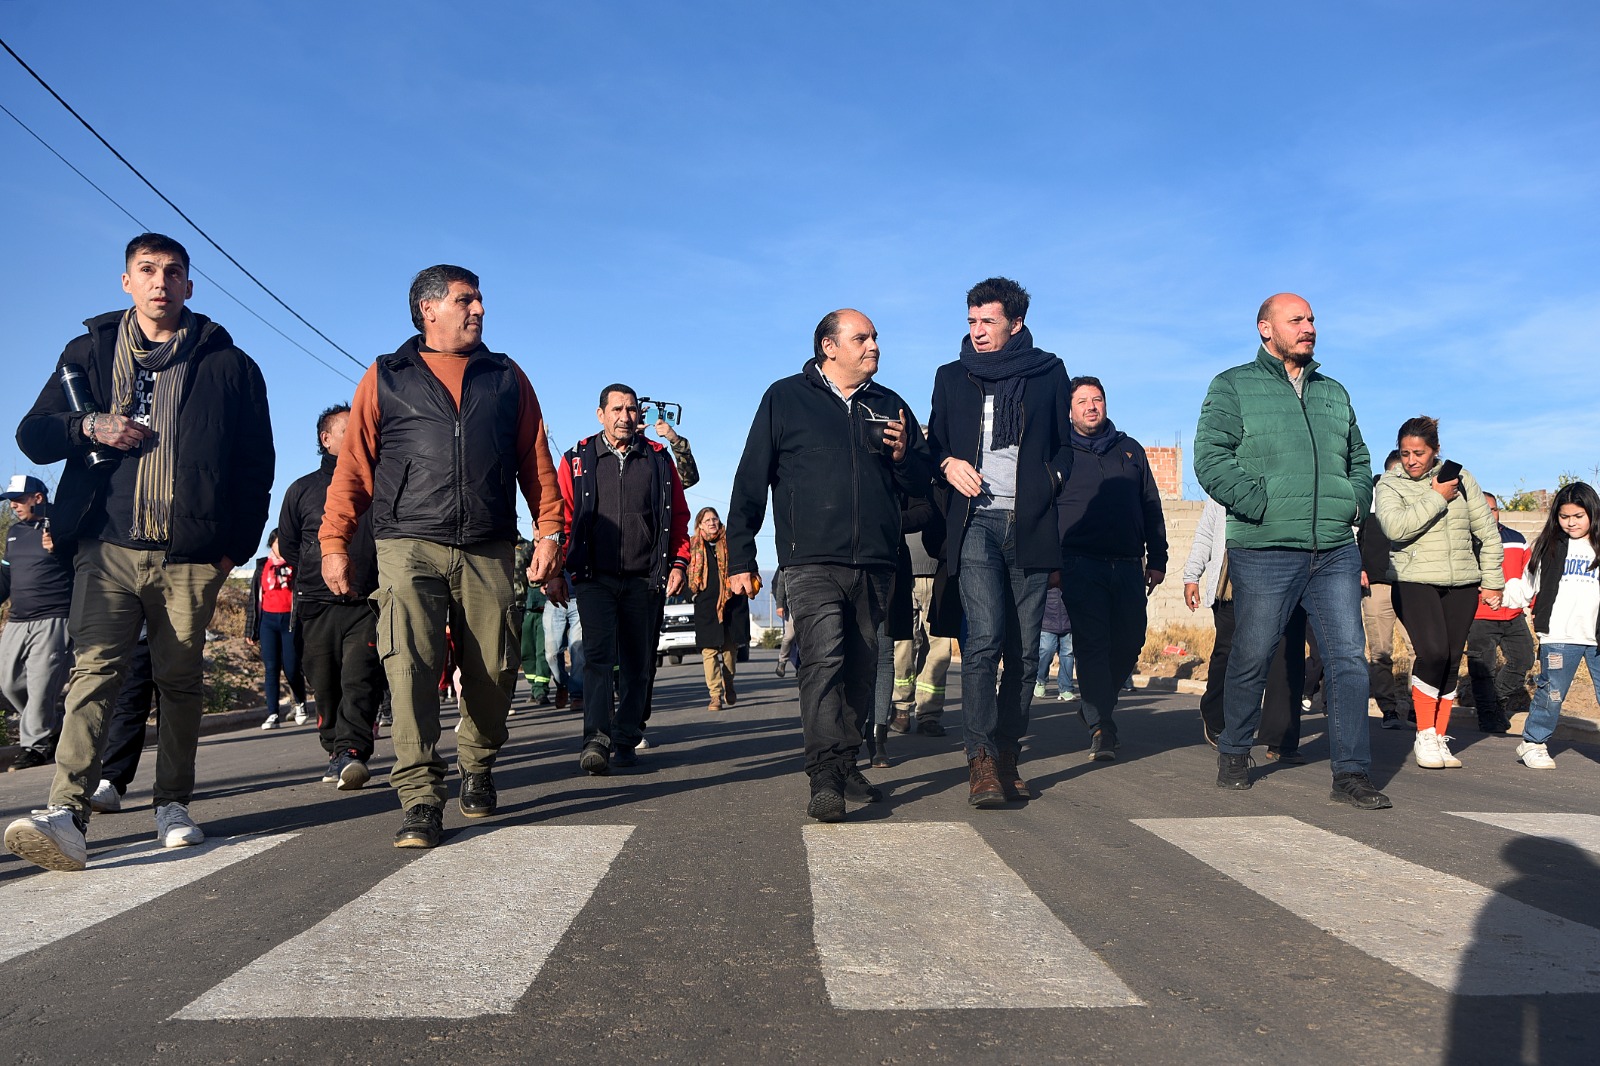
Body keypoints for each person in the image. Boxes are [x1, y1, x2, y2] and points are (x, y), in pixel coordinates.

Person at [5, 232, 274, 871]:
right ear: (126, 281)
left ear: (189, 285)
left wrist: (231, 552)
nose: (160, 281)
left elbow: (255, 467)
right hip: (107, 546)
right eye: (147, 270)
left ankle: (172, 804)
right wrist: (88, 425)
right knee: (95, 671)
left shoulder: (230, 365)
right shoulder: (89, 352)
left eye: (173, 272)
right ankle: (66, 814)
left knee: (178, 680)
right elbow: (33, 434)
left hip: (191, 556)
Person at [319, 264, 563, 849]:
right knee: (409, 667)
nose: (479, 309)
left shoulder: (506, 376)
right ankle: (421, 798)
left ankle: (477, 763)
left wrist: (550, 530)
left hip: (489, 545)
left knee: (494, 667)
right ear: (429, 309)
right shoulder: (387, 375)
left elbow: (535, 459)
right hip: (407, 543)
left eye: (479, 300)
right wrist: (333, 543)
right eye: (466, 300)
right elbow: (353, 466)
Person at [726, 308, 929, 822]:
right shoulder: (785, 398)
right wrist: (741, 556)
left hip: (876, 562)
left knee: (861, 667)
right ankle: (824, 778)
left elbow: (922, 485)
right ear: (829, 346)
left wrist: (905, 456)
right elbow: (750, 479)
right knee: (823, 661)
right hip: (810, 560)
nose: (874, 345)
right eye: (862, 338)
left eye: (875, 337)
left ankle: (844, 761)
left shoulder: (890, 405)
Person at [1192, 292, 1389, 808]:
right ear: (1266, 328)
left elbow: (1360, 458)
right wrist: (1259, 504)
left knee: (1348, 660)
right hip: (1265, 547)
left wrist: (1354, 502)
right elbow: (1210, 458)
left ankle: (1351, 774)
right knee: (1252, 653)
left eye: (1312, 319)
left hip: (1334, 549)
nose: (1309, 327)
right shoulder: (1232, 385)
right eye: (1296, 319)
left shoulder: (1333, 391)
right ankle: (1235, 749)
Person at [928, 277, 1071, 807]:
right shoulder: (952, 376)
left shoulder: (1049, 372)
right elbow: (933, 444)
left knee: (1026, 652)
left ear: (1015, 323)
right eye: (971, 321)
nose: (978, 331)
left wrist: (1048, 483)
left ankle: (1009, 753)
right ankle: (981, 758)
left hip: (1029, 525)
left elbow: (1064, 448)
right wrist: (947, 463)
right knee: (985, 639)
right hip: (975, 524)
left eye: (988, 321)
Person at [553, 383, 689, 774]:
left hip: (645, 578)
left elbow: (679, 516)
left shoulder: (658, 459)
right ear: (601, 414)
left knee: (638, 662)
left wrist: (678, 563)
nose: (624, 417)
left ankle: (627, 736)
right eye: (616, 409)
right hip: (593, 577)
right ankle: (596, 741)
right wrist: (556, 571)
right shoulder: (577, 458)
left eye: (631, 409)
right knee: (596, 658)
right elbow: (561, 517)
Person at [1373, 416, 1503, 769]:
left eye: (1419, 453)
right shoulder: (1390, 483)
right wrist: (1436, 496)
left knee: (1451, 657)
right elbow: (1395, 528)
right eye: (1405, 453)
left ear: (1435, 450)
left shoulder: (1462, 477)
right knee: (1432, 653)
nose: (1411, 460)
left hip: (1462, 581)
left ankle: (1439, 736)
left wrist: (1493, 580)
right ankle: (1424, 734)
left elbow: (1487, 533)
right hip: (1412, 579)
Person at [1056, 375, 1167, 760]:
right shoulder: (1060, 453)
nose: (1091, 406)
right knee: (1092, 643)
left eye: (1097, 399)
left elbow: (1151, 505)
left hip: (1128, 564)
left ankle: (1095, 703)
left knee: (1131, 639)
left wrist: (1158, 558)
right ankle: (1101, 726)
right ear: (1070, 410)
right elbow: (1044, 510)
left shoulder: (1130, 450)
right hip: (1079, 564)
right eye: (1082, 401)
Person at [277, 403, 385, 788]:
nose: (358, 435)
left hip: (366, 601)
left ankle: (352, 751)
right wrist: (318, 566)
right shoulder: (302, 490)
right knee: (324, 684)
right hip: (316, 603)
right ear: (326, 439)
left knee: (360, 678)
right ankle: (334, 749)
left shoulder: (379, 483)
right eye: (347, 429)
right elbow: (289, 545)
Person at [1184, 497, 1309, 761]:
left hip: (1284, 570)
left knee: (1286, 654)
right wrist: (1192, 576)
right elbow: (1206, 533)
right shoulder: (1225, 486)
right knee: (1229, 652)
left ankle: (1281, 738)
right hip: (1232, 578)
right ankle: (1216, 716)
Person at [1501, 482, 1600, 769]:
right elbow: (1527, 586)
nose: (1571, 523)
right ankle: (1533, 743)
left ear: (1593, 513)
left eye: (1578, 516)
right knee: (1552, 692)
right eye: (1564, 516)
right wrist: (1499, 596)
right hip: (1559, 635)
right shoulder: (1548, 547)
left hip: (1596, 636)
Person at [1, 474, 73, 769]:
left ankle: (35, 746)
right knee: (9, 684)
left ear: (38, 498)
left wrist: (61, 548)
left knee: (42, 685)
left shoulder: (63, 526)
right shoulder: (14, 532)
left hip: (54, 619)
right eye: (10, 501)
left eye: (18, 499)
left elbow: (84, 565)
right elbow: (6, 577)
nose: (13, 505)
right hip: (17, 620)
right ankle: (53, 724)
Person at [891, 474, 955, 734]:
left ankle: (929, 714)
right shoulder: (905, 476)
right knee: (904, 644)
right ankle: (901, 707)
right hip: (905, 571)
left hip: (941, 571)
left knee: (940, 647)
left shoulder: (948, 479)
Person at [1465, 492, 1532, 734]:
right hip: (1480, 616)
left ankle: (1495, 702)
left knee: (1524, 660)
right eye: (1484, 509)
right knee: (1483, 670)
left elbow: (1530, 576)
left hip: (1514, 615)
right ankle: (1488, 718)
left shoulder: (1517, 539)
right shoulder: (1464, 541)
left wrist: (1533, 606)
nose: (1489, 514)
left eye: (1493, 509)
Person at [1358, 452, 1407, 728]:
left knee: (1421, 650)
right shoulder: (1368, 499)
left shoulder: (1417, 498)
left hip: (1411, 587)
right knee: (1381, 652)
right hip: (1377, 586)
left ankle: (1417, 709)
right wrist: (1359, 567)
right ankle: (1389, 709)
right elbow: (1353, 535)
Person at [246, 530, 309, 730]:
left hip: (290, 621)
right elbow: (254, 600)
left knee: (291, 667)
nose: (281, 547)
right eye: (278, 543)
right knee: (271, 669)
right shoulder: (262, 566)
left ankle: (300, 702)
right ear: (271, 544)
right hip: (268, 622)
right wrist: (250, 630)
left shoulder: (296, 565)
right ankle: (272, 714)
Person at [687, 507, 747, 713]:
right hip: (706, 606)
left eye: (715, 519)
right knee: (709, 652)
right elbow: (685, 573)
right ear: (700, 525)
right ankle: (715, 695)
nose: (712, 523)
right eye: (707, 520)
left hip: (731, 604)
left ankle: (728, 683)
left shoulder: (729, 542)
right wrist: (692, 594)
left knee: (729, 652)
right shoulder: (693, 545)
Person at [1034, 586, 1075, 701]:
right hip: (1048, 619)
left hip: (1069, 620)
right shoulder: (1047, 577)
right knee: (1047, 650)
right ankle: (1040, 680)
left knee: (1068, 654)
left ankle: (1066, 688)